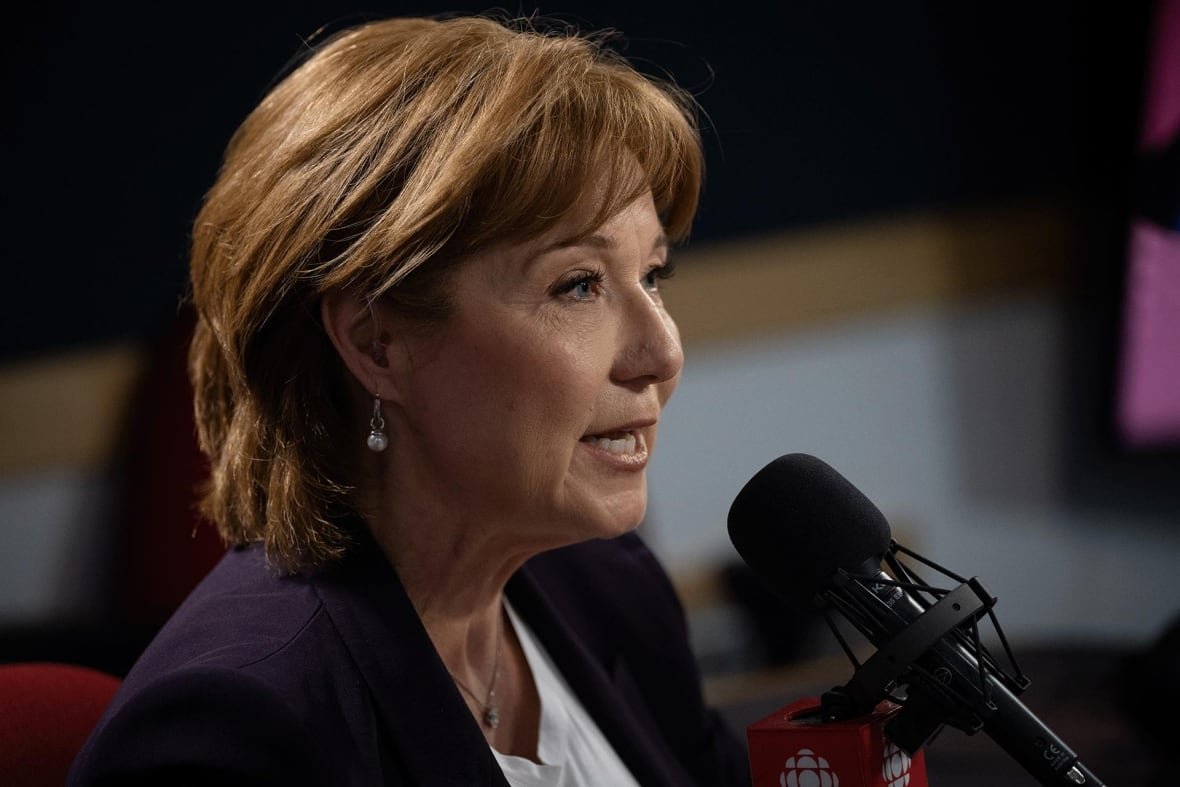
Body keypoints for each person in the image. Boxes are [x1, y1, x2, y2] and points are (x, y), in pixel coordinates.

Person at [69, 13, 750, 787]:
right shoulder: (230, 734)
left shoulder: (607, 585)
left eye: (652, 275)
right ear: (376, 343)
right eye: (579, 285)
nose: (663, 354)